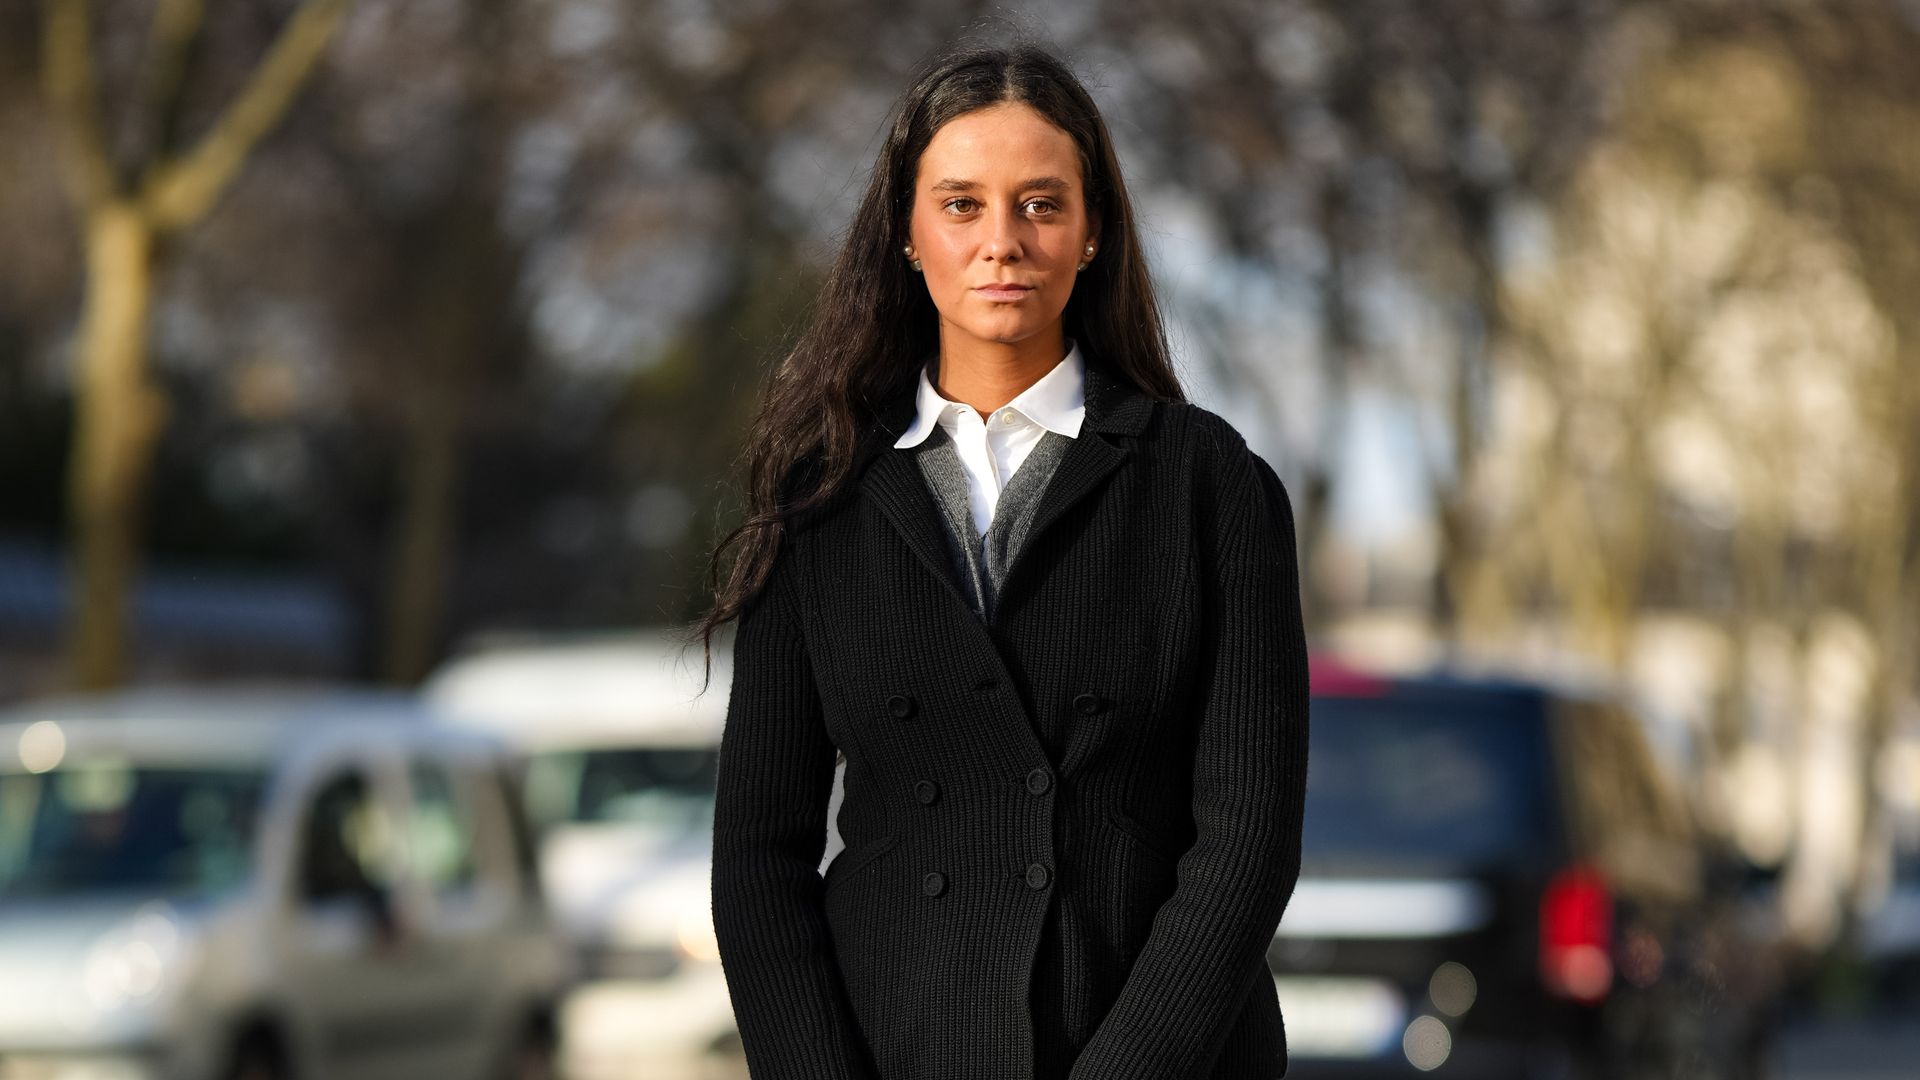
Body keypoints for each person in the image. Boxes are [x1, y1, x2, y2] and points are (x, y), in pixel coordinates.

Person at [693, 37, 1309, 1080]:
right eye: (963, 204)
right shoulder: (823, 498)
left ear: (1093, 231)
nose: (1002, 242)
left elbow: (1245, 846)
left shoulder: (1212, 487)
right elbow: (759, 858)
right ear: (909, 235)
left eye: (1041, 203)